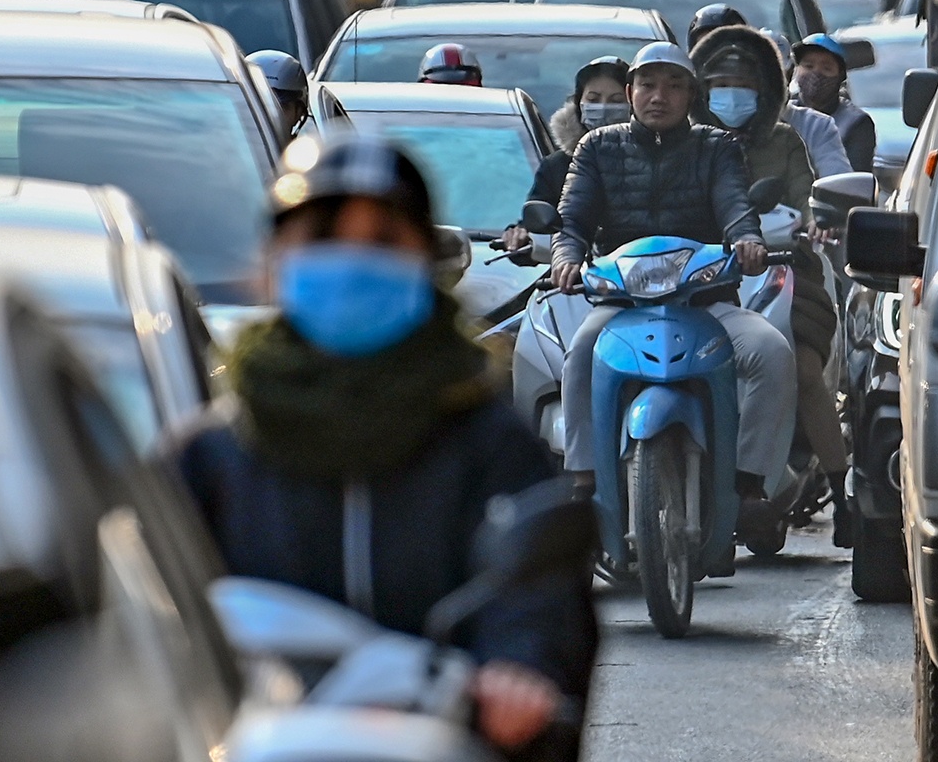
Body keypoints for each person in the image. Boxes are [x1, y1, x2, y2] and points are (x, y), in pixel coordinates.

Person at [168, 133, 596, 758]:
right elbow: (142, 617)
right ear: (272, 261)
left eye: (383, 242)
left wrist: (517, 673)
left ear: (426, 261)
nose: (351, 261)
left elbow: (537, 589)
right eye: (324, 239)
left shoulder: (487, 442)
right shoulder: (212, 457)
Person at [552, 42, 796, 541]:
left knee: (773, 352)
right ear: (630, 92)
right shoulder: (596, 148)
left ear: (692, 95)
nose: (658, 96)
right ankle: (584, 479)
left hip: (705, 304)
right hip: (622, 307)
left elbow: (734, 205)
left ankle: (749, 486)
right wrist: (565, 256)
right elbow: (572, 218)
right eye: (647, 85)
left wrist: (747, 239)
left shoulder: (718, 147)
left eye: (673, 85)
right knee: (580, 354)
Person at [692, 24, 854, 546]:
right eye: (718, 83)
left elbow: (811, 197)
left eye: (742, 84)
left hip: (783, 272)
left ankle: (841, 491)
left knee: (803, 371)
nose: (730, 94)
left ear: (765, 91)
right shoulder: (682, 144)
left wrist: (815, 221)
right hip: (692, 281)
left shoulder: (786, 141)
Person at [690, 4, 848, 175]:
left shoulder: (809, 129)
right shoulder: (684, 137)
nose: (722, 59)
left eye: (743, 84)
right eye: (707, 49)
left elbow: (836, 187)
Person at [503, 56, 629, 255]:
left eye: (616, 101)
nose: (604, 108)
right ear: (579, 103)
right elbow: (537, 226)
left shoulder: (655, 158)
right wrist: (522, 236)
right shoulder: (556, 166)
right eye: (594, 100)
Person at [791, 34, 876, 174]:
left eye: (827, 68)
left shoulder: (856, 123)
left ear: (840, 76)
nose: (816, 74)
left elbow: (854, 183)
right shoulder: (784, 113)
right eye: (808, 66)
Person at [248, 49, 310, 140]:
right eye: (255, 106)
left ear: (299, 112)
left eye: (281, 107)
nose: (266, 116)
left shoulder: (307, 153)